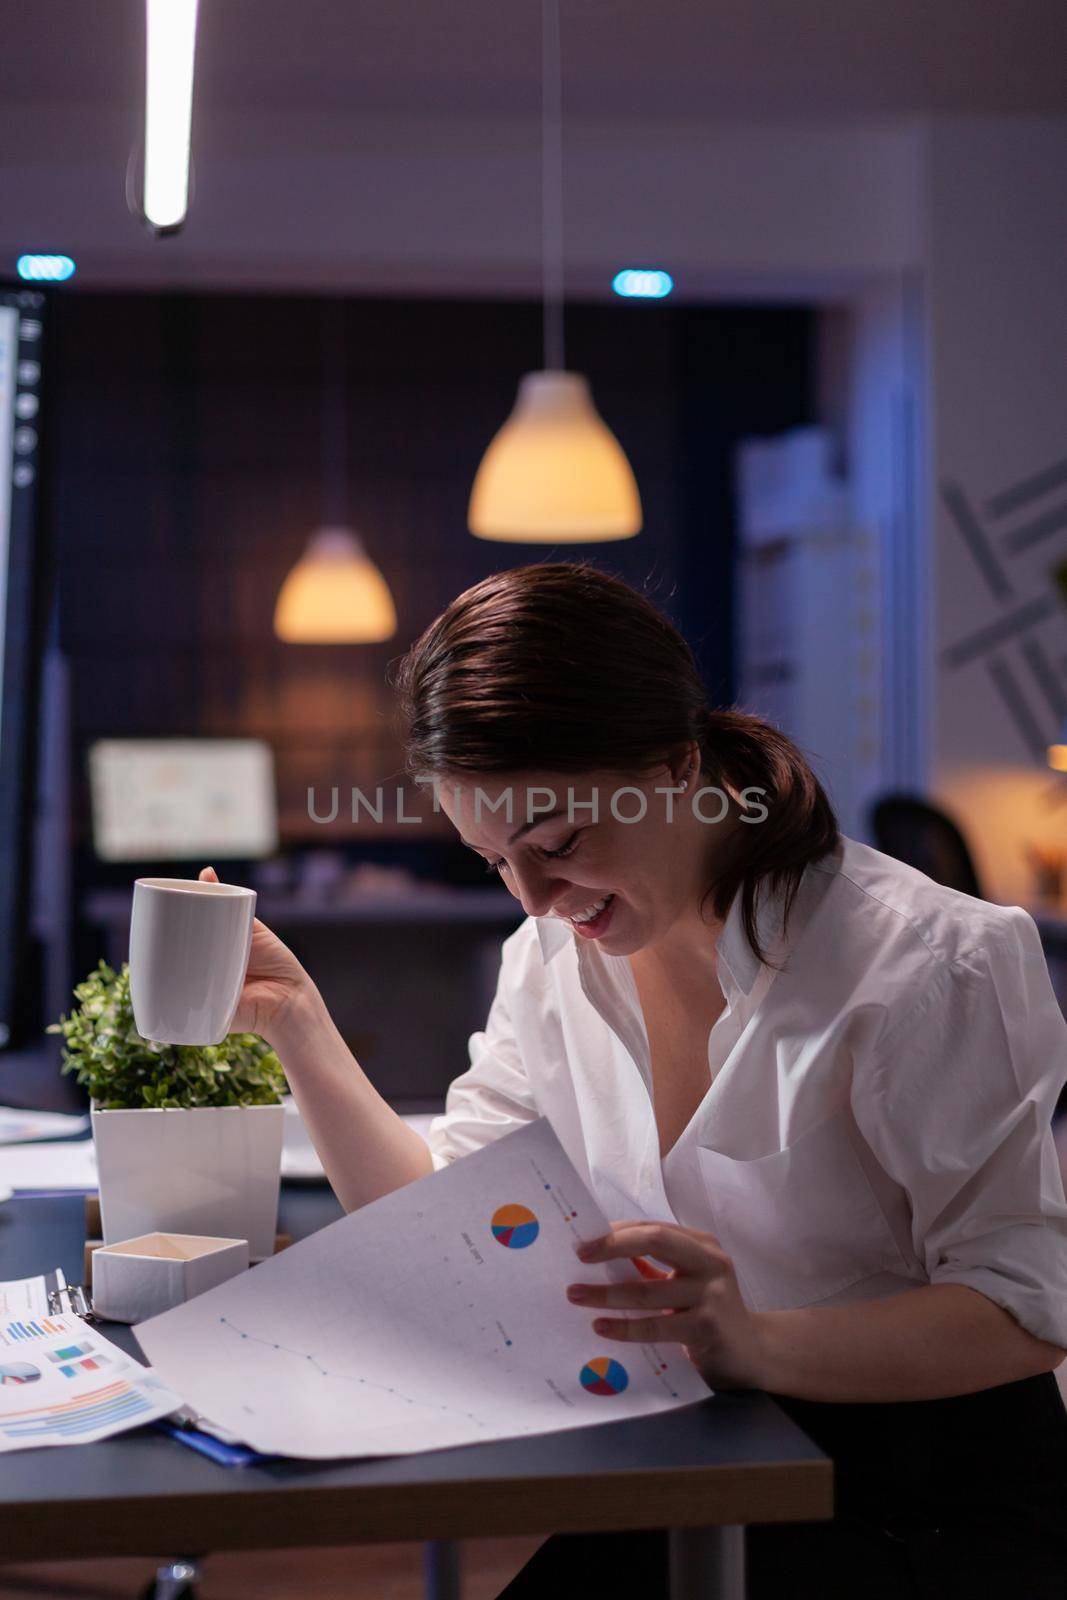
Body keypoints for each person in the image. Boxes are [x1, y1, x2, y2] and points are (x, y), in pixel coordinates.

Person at [202, 560, 1067, 1597]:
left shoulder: (927, 963)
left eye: (555, 842)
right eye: (492, 860)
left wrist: (756, 1342)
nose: (531, 898)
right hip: (699, 1461)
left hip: (922, 1499)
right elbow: (440, 1216)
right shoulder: (551, 959)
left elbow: (1026, 1308)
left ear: (672, 763)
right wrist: (298, 1023)